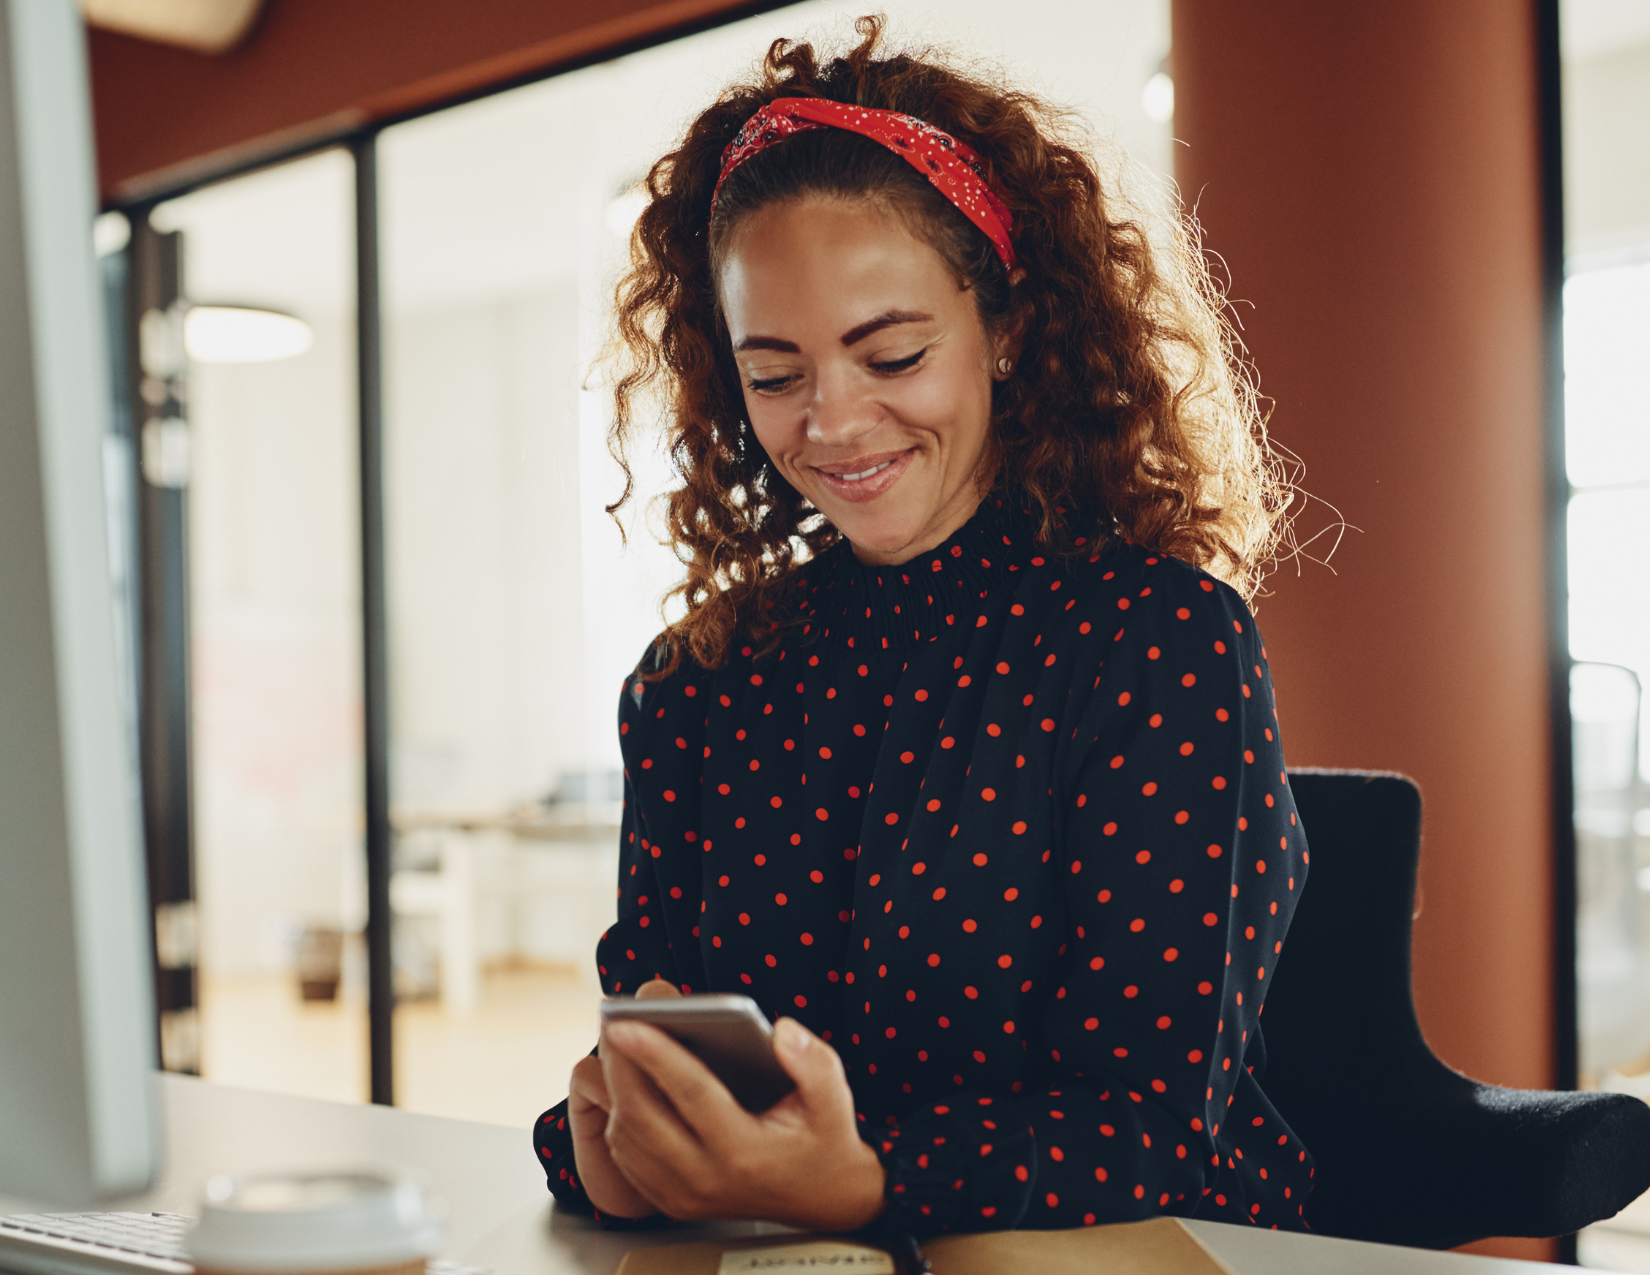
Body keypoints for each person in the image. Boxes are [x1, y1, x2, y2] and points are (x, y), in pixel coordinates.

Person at [533, 17, 1311, 1240]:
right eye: (776, 374)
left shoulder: (1159, 645)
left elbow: (1147, 1129)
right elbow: (657, 1041)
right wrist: (617, 1155)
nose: (834, 423)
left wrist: (862, 1182)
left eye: (890, 353)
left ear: (1005, 329)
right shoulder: (693, 682)